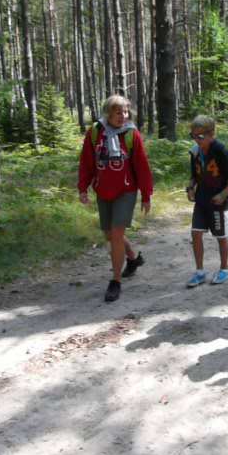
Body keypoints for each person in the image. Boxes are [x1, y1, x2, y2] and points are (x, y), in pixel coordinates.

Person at [78, 95, 153, 302]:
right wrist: (83, 187)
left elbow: (142, 166)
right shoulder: (95, 132)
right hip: (103, 190)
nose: (123, 116)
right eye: (118, 112)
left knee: (117, 235)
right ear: (108, 114)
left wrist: (146, 195)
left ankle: (115, 281)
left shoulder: (131, 134)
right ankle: (133, 259)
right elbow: (86, 162)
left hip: (126, 190)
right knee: (110, 235)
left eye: (126, 112)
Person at [186, 115, 228, 287]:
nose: (197, 139)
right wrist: (190, 187)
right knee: (196, 233)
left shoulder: (220, 151)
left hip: (218, 202)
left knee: (221, 236)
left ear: (211, 135)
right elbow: (194, 176)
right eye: (193, 136)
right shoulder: (195, 152)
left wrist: (224, 194)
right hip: (201, 200)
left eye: (200, 136)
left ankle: (224, 269)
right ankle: (199, 272)